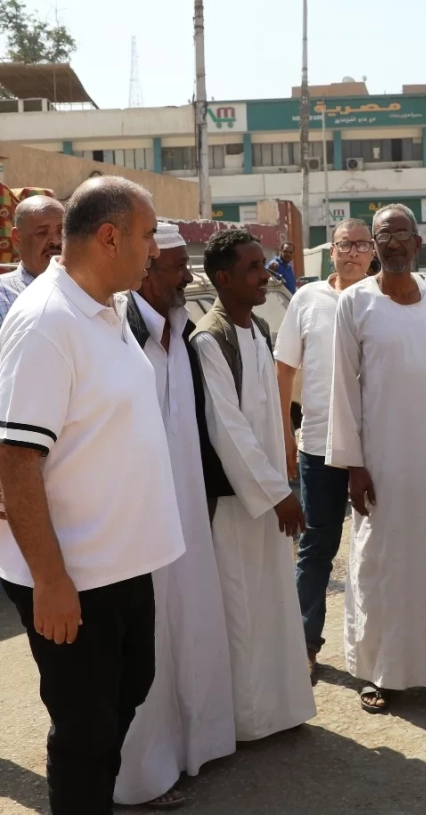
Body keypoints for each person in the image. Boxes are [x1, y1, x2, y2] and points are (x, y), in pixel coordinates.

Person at [0, 177, 184, 815]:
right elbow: (16, 459)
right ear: (109, 237)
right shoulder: (47, 322)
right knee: (84, 731)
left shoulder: (105, 305)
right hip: (72, 574)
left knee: (127, 693)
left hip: (121, 563)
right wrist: (50, 581)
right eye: (147, 236)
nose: (154, 250)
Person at [326, 204, 426, 714]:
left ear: (417, 242)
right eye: (382, 235)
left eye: (400, 234)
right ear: (374, 246)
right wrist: (353, 464)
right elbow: (343, 389)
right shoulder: (356, 303)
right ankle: (381, 672)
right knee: (382, 562)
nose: (392, 242)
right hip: (381, 459)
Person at [115, 223, 236, 808]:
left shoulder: (181, 331)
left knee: (189, 626)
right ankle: (141, 775)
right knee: (146, 647)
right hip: (135, 522)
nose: (188, 277)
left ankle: (193, 748)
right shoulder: (118, 333)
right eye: (176, 267)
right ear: (144, 271)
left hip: (186, 511)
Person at [192, 229, 316, 741]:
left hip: (269, 493)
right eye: (252, 268)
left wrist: (284, 470)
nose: (264, 276)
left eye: (262, 265)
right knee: (242, 608)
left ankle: (281, 709)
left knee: (273, 603)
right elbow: (229, 431)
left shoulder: (259, 328)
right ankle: (248, 722)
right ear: (223, 279)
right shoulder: (210, 339)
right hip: (238, 503)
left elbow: (271, 414)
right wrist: (277, 494)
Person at [275, 218, 373, 683]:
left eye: (361, 245)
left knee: (379, 550)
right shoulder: (307, 299)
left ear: (372, 252)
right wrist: (284, 438)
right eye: (344, 245)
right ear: (330, 251)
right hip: (318, 446)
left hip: (377, 446)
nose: (352, 252)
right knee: (317, 547)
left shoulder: (383, 297)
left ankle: (376, 651)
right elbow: (283, 371)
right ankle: (304, 645)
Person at [0, 195, 64, 326]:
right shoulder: (3, 294)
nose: (56, 241)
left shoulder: (88, 292)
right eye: (42, 232)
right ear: (17, 238)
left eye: (61, 231)